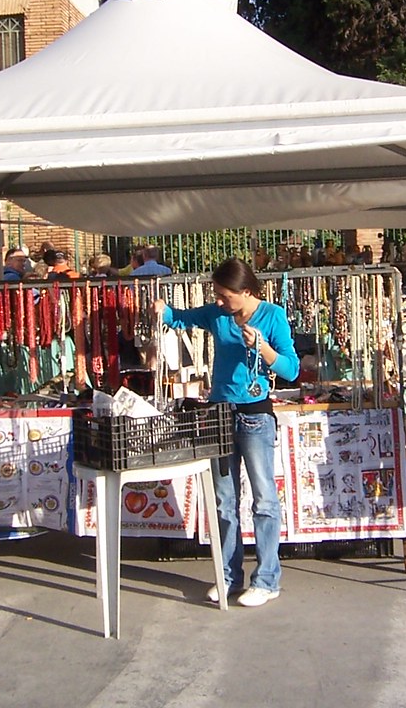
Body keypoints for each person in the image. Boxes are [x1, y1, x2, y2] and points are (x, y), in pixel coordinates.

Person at [155, 258, 299, 608]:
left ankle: (267, 580)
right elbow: (181, 318)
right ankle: (228, 576)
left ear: (245, 291)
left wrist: (263, 349)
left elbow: (292, 369)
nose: (219, 301)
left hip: (255, 416)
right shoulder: (217, 314)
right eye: (216, 295)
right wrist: (162, 310)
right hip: (219, 414)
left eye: (224, 295)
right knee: (223, 501)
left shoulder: (273, 316)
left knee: (264, 500)